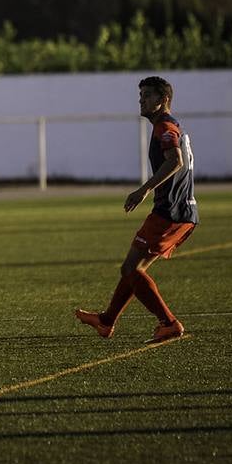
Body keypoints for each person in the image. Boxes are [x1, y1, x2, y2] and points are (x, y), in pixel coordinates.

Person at [75, 75, 198, 343]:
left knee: (130, 269)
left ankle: (169, 323)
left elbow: (174, 161)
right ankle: (106, 321)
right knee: (135, 269)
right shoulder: (171, 125)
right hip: (183, 212)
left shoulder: (165, 125)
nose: (141, 101)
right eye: (140, 96)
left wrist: (144, 189)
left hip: (170, 213)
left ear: (164, 99)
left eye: (148, 96)